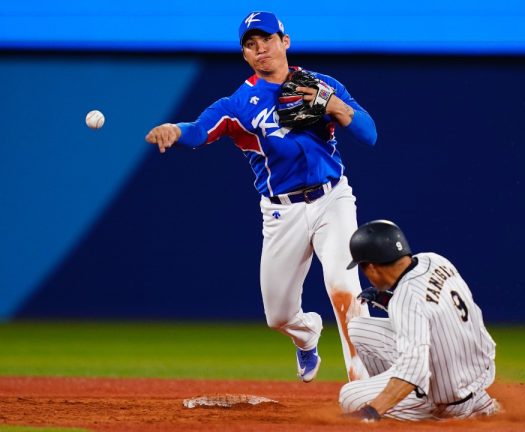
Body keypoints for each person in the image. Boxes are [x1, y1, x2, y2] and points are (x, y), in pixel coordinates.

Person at [144, 11, 376, 382]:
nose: (260, 48)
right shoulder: (239, 104)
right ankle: (306, 336)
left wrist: (335, 107)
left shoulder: (322, 84)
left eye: (266, 39)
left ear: (285, 42)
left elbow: (370, 134)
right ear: (246, 56)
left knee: (344, 286)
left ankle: (363, 386)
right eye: (251, 45)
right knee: (279, 316)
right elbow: (200, 129)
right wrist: (174, 128)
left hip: (333, 200)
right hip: (281, 212)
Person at [339, 220, 500, 421]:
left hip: (450, 399)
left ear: (371, 268)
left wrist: (372, 411)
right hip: (475, 369)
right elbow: (433, 307)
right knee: (358, 328)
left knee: (349, 396)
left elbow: (414, 369)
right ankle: (479, 401)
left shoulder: (406, 300)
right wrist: (388, 299)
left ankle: (428, 408)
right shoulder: (434, 260)